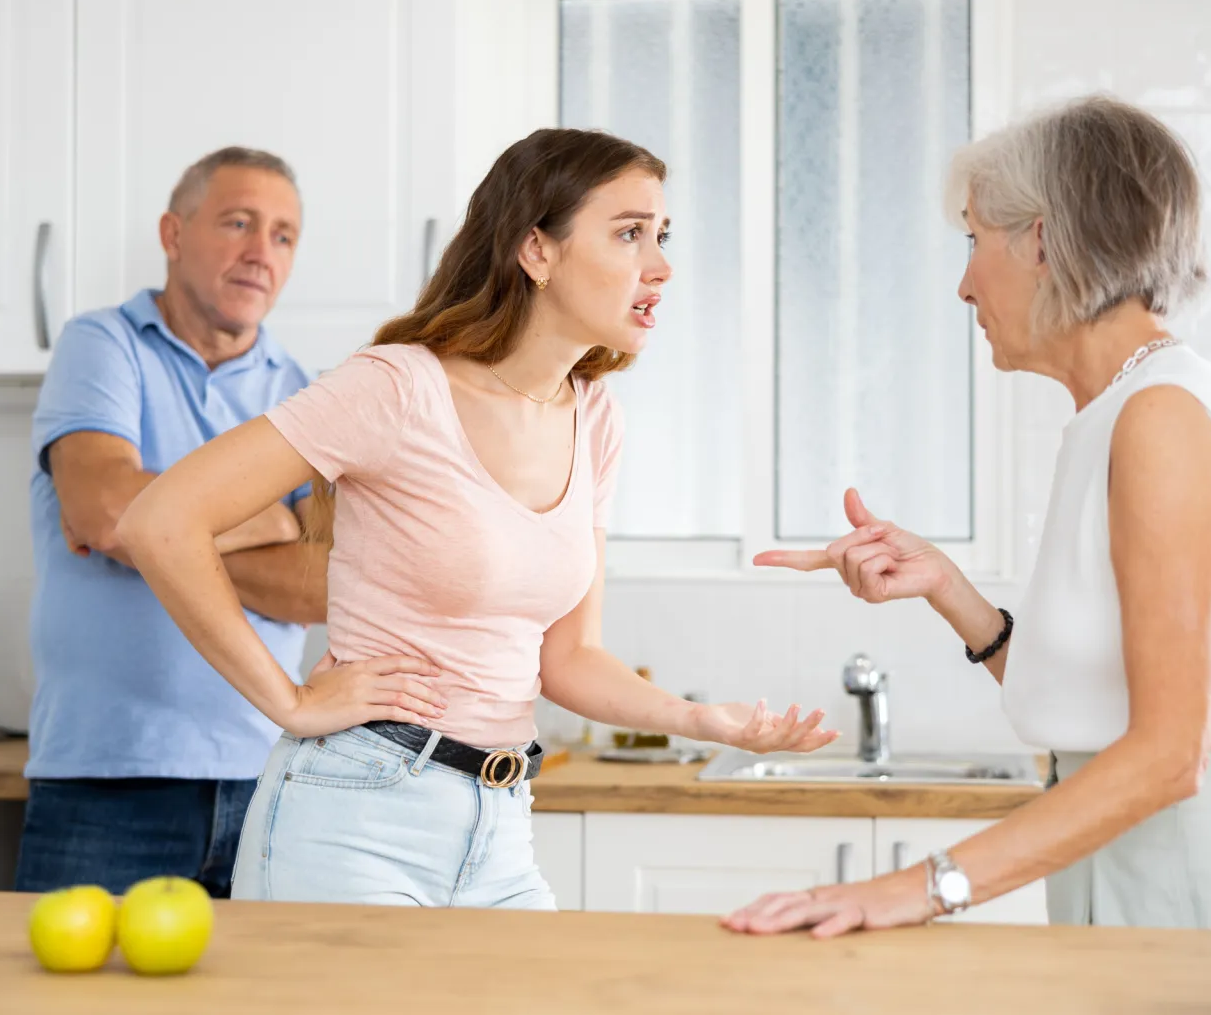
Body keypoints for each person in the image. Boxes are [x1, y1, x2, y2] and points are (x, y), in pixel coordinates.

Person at [115, 128, 838, 910]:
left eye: (661, 236)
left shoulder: (594, 419)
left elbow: (569, 657)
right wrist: (288, 701)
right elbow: (160, 521)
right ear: (537, 250)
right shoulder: (398, 388)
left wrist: (704, 720)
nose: (659, 265)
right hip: (353, 815)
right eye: (629, 233)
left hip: (500, 824)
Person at [723, 96, 1211, 937]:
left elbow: (1170, 752)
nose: (963, 281)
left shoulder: (1159, 420)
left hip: (1206, 878)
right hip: (1137, 861)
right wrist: (949, 589)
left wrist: (913, 888)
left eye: (974, 240)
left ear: (1045, 241)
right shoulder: (1120, 413)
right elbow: (1101, 701)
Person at [16, 146, 331, 898]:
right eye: (237, 223)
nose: (262, 253)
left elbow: (319, 583)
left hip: (264, 778)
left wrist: (162, 533)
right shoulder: (103, 345)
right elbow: (104, 510)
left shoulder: (303, 393)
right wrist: (274, 523)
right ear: (173, 231)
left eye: (283, 235)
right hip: (105, 779)